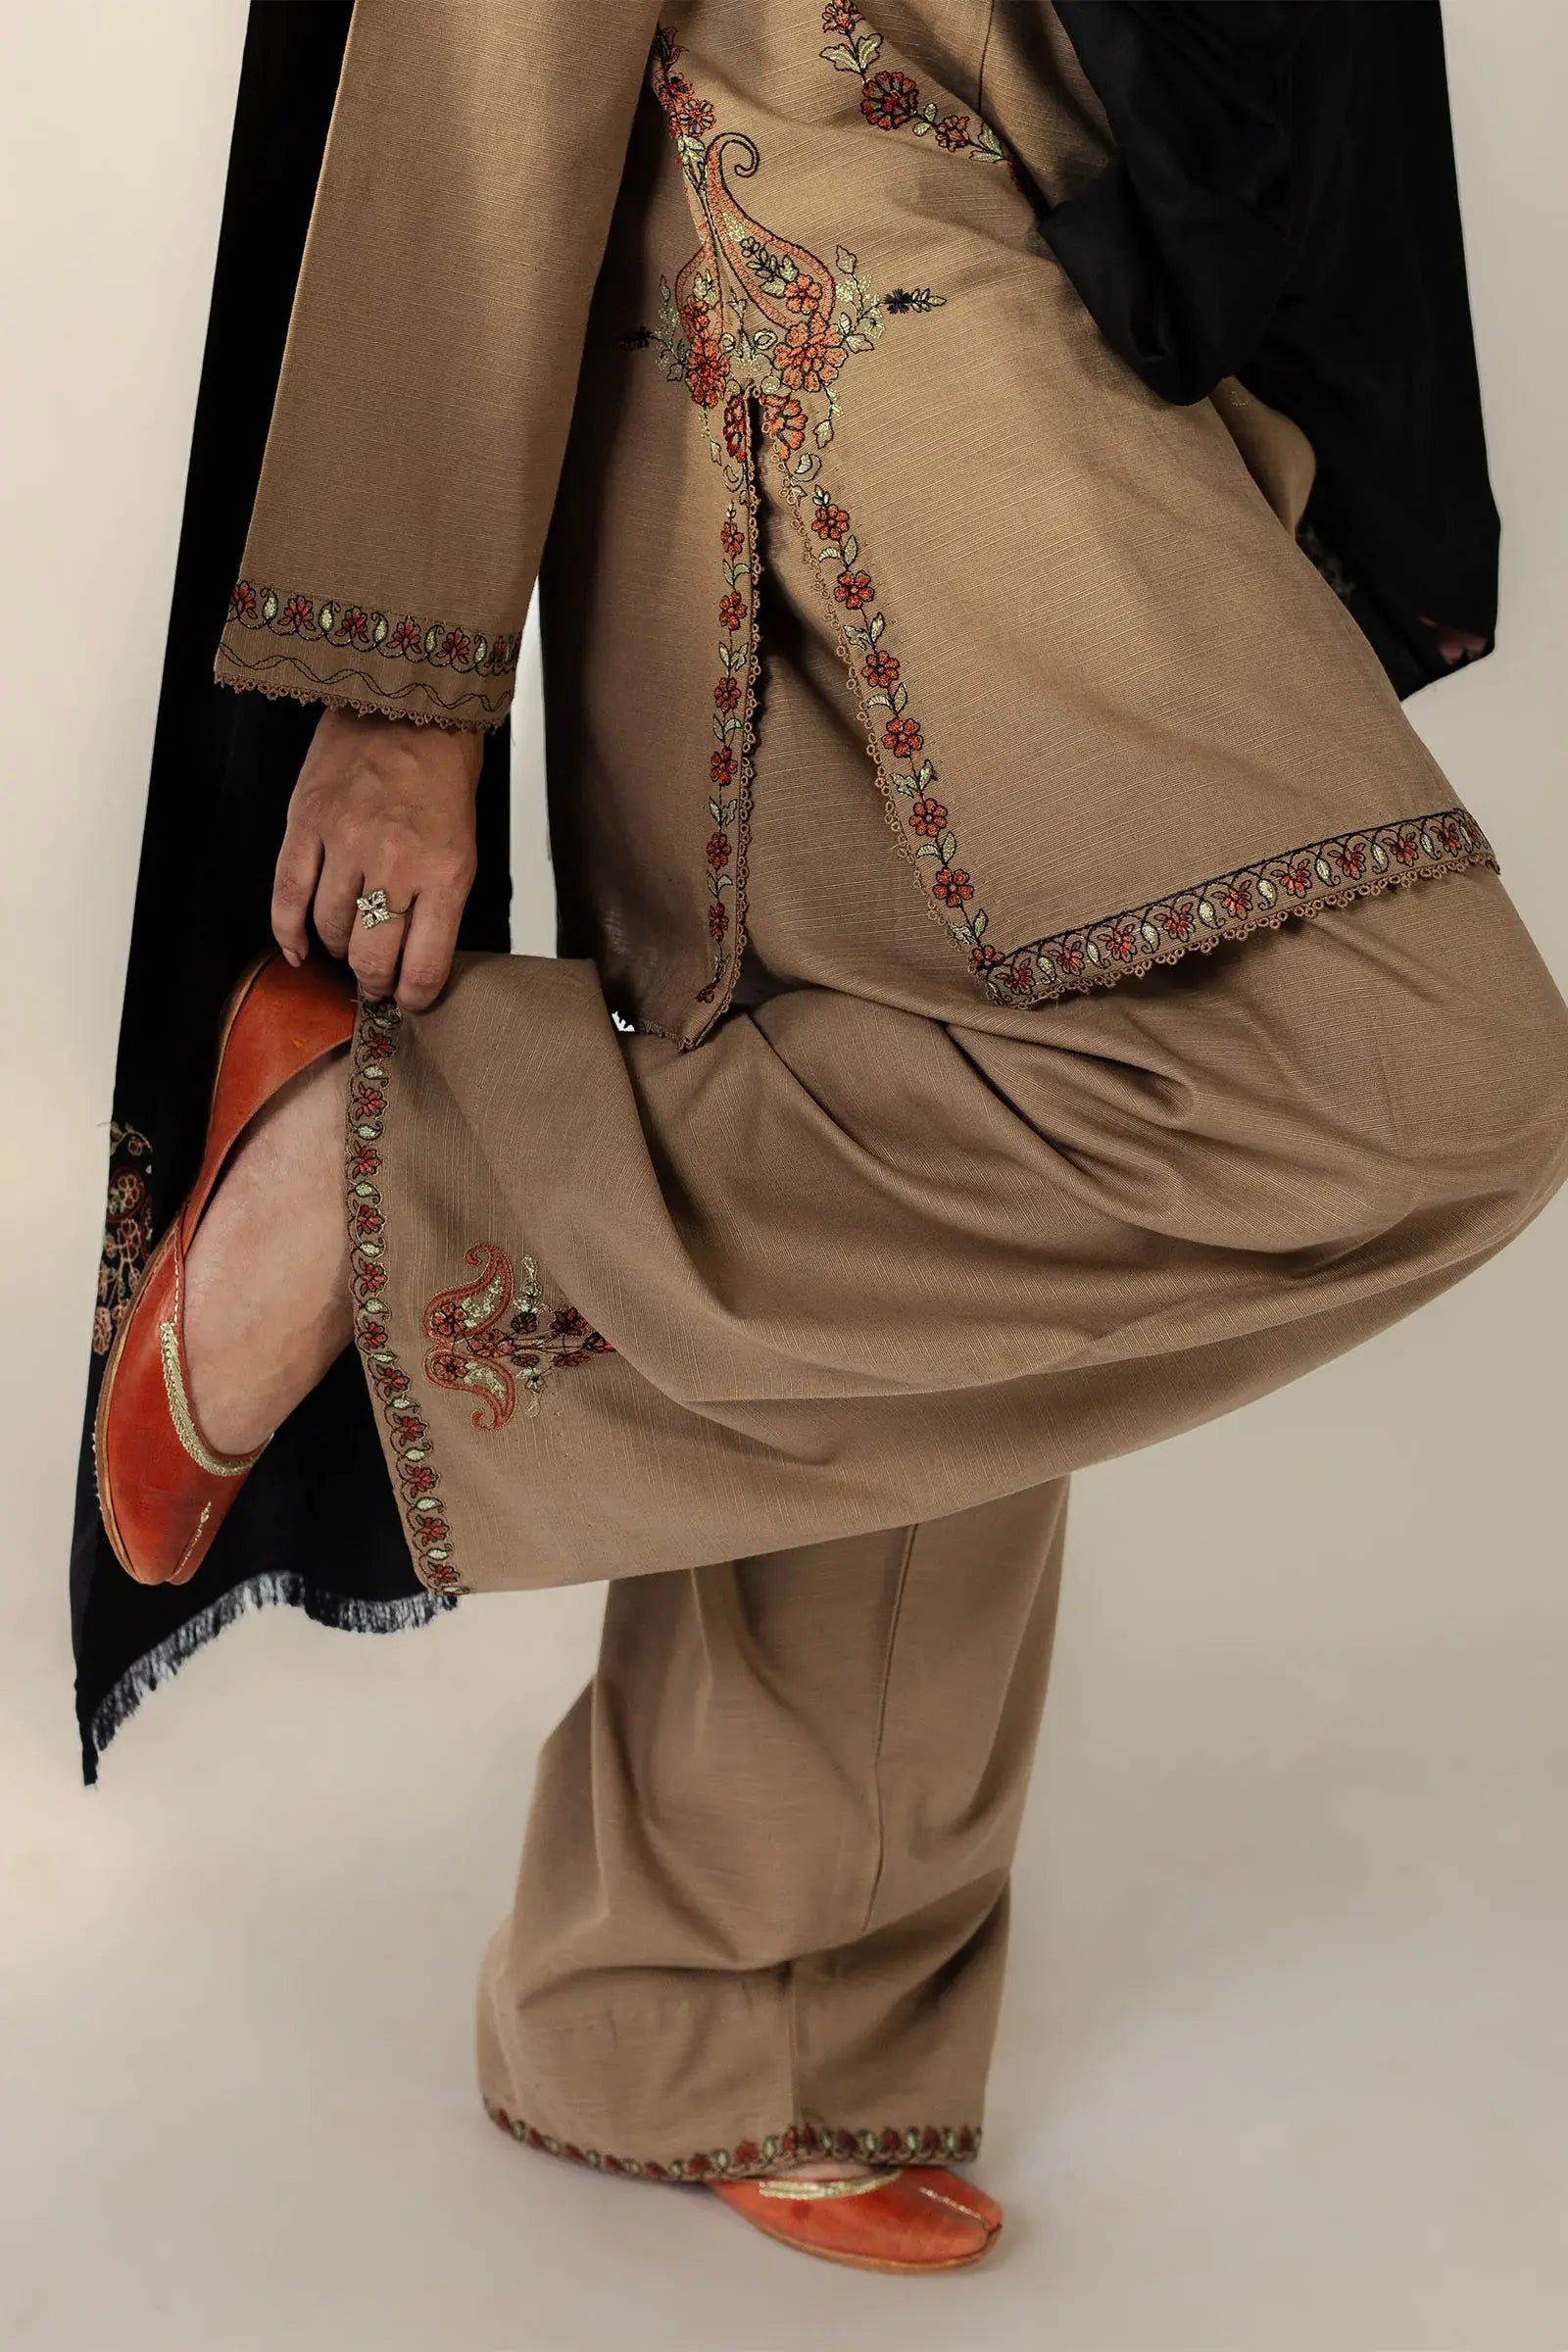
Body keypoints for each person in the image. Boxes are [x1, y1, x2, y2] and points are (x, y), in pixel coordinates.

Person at [91, 2, 1568, 2275]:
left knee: (916, 1113)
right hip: (830, 184)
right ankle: (401, 1175)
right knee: (1409, 1062)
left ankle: (700, 2017)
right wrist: (402, 685)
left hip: (1075, 197)